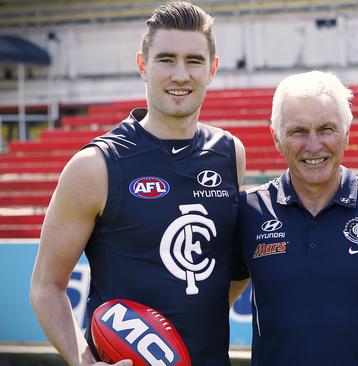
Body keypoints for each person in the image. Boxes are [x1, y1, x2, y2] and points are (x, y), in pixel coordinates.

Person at [30, 2, 247, 365]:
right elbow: (46, 286)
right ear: (142, 66)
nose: (181, 75)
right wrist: (83, 360)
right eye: (166, 59)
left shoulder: (229, 154)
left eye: (194, 61)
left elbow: (231, 264)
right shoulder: (95, 166)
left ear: (212, 69)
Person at [234, 70, 358, 366]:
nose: (313, 145)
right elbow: (213, 307)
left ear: (346, 133)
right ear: (276, 137)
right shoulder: (248, 212)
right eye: (298, 131)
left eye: (326, 129)